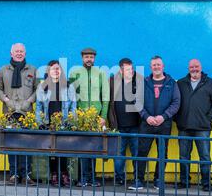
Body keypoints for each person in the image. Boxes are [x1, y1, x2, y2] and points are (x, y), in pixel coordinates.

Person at [129, 55, 180, 190]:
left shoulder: (171, 83)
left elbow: (176, 102)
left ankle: (158, 180)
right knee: (142, 152)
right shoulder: (144, 82)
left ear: (163, 66)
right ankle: (138, 180)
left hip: (164, 124)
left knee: (162, 153)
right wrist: (146, 117)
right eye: (154, 65)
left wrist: (164, 117)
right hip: (147, 124)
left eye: (158, 65)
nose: (156, 67)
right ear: (151, 67)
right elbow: (137, 102)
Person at [175, 59, 212, 191]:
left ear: (201, 67)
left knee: (205, 156)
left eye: (196, 66)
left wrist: (209, 118)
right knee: (183, 156)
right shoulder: (180, 83)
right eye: (191, 67)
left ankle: (206, 183)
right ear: (188, 68)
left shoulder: (210, 83)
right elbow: (174, 102)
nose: (194, 69)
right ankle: (184, 181)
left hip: (203, 127)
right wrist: (177, 119)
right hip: (184, 126)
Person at [0, 43, 38, 186]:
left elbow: (37, 89)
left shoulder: (32, 69)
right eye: (16, 51)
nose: (19, 53)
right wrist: (6, 100)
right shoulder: (3, 70)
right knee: (11, 144)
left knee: (27, 144)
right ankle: (13, 174)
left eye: (21, 51)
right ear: (11, 53)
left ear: (25, 54)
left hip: (27, 113)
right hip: (10, 112)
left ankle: (26, 174)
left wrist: (29, 101)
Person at [69, 47, 110, 187]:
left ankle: (92, 178)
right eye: (86, 57)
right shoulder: (75, 72)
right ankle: (82, 178)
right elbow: (71, 95)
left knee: (94, 147)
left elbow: (105, 96)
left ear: (94, 58)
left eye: (91, 57)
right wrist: (74, 115)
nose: (89, 59)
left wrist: (103, 116)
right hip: (81, 116)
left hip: (96, 116)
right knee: (82, 148)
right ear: (82, 58)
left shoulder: (100, 73)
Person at [35, 60, 77, 186]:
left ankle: (64, 173)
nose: (56, 71)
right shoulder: (42, 87)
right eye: (53, 69)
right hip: (49, 123)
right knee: (51, 150)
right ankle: (54, 173)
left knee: (63, 149)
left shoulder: (68, 86)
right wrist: (40, 123)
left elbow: (73, 106)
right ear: (48, 71)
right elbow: (39, 108)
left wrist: (72, 122)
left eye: (58, 68)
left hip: (64, 123)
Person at [108, 58, 144, 185]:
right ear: (121, 70)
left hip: (136, 125)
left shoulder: (139, 80)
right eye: (127, 69)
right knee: (118, 154)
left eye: (131, 68)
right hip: (118, 126)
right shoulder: (112, 81)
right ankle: (119, 178)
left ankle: (137, 178)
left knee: (136, 154)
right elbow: (107, 101)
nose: (130, 71)